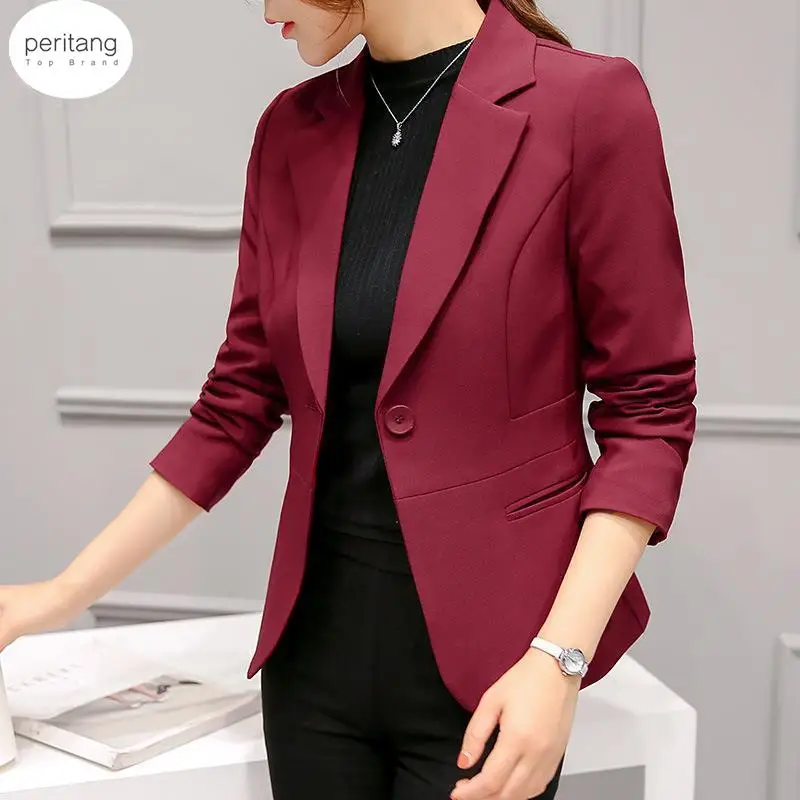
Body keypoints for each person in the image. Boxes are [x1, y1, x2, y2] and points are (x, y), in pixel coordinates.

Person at [0, 0, 697, 798]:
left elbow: (650, 410)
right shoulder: (291, 129)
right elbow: (237, 398)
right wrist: (57, 596)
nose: (266, 9)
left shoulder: (587, 105)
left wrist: (558, 660)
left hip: (495, 670)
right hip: (315, 667)